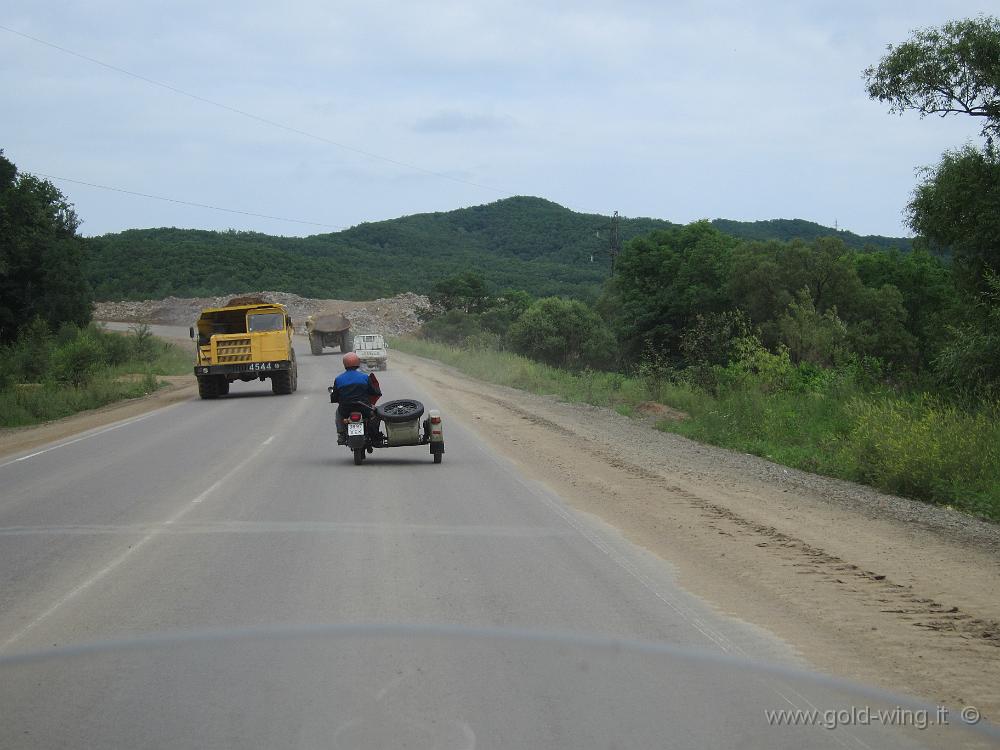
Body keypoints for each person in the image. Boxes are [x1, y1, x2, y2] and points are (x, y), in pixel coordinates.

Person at [329, 352, 382, 445]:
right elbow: (373, 391)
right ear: (358, 363)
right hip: (364, 408)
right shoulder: (365, 377)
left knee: (338, 413)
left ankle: (341, 435)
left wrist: (335, 399)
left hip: (345, 409)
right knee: (376, 414)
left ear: (344, 364)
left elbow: (334, 396)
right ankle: (375, 435)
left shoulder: (338, 379)